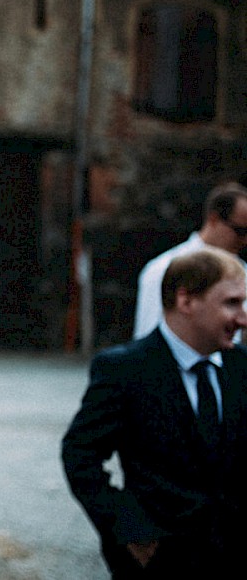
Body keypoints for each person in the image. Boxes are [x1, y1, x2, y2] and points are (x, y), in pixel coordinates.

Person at [62, 247, 247, 578]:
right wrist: (125, 528)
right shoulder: (125, 369)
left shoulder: (240, 366)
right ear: (186, 301)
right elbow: (80, 454)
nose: (243, 317)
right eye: (231, 303)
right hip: (161, 561)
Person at [133, 181, 247, 339]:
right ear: (214, 219)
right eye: (240, 231)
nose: (245, 240)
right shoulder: (164, 268)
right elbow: (147, 337)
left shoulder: (242, 271)